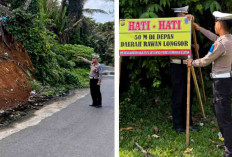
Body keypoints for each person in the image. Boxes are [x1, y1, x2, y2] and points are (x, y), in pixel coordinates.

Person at [187, 11, 232, 157]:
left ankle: (229, 150)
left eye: (215, 23)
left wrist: (192, 62)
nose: (214, 26)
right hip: (224, 81)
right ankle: (228, 143)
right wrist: (199, 29)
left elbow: (206, 60)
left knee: (223, 116)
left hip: (221, 83)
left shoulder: (222, 44)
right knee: (220, 112)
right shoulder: (228, 39)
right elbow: (215, 38)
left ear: (219, 25)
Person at [169, 5, 199, 134]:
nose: (185, 16)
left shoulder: (186, 28)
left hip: (188, 65)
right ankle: (178, 125)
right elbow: (173, 46)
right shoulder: (172, 29)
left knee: (189, 95)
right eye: (183, 14)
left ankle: (188, 123)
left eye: (186, 14)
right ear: (178, 16)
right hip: (177, 65)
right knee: (179, 96)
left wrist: (193, 46)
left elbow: (185, 44)